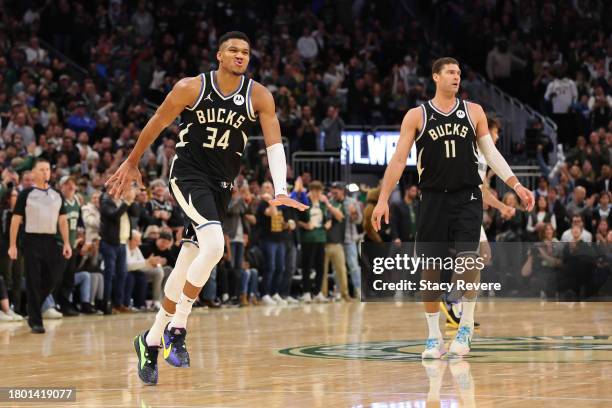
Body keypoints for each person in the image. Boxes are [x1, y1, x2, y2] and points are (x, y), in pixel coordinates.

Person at [105, 31, 307, 385]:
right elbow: (157, 123)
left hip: (221, 186)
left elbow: (274, 144)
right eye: (233, 50)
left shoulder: (259, 95)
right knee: (215, 246)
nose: (240, 56)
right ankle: (178, 329)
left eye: (245, 52)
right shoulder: (190, 87)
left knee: (186, 265)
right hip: (187, 174)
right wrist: (133, 160)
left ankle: (150, 340)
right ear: (218, 55)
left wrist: (281, 189)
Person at [372, 57, 534, 359]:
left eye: (459, 72)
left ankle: (466, 326)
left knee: (469, 261)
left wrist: (516, 184)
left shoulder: (473, 112)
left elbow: (491, 153)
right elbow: (398, 160)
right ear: (435, 77)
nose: (456, 76)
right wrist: (383, 199)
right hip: (433, 198)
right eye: (450, 72)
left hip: (467, 197)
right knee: (430, 271)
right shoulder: (416, 116)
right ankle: (434, 336)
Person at [440, 116, 515, 328]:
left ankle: (456, 310)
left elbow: (482, 191)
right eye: (495, 131)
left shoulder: (485, 154)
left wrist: (502, 207)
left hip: (472, 212)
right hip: (460, 212)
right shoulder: (468, 150)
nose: (498, 136)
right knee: (474, 258)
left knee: (480, 258)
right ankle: (453, 300)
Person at [8, 159, 72, 333]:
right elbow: (15, 220)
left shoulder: (57, 194)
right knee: (33, 279)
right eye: (41, 170)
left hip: (51, 239)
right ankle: (36, 321)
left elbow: (63, 220)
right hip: (31, 240)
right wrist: (12, 245)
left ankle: (33, 306)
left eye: (47, 169)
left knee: (54, 277)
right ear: (34, 173)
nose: (45, 172)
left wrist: (66, 242)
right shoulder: (26, 194)